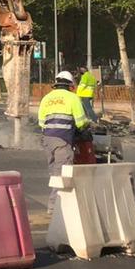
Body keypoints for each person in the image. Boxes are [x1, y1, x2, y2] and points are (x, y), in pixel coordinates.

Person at [38, 70, 89, 214]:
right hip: (63, 139)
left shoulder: (46, 98)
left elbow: (41, 122)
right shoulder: (72, 98)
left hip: (48, 139)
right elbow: (81, 121)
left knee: (54, 171)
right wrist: (84, 127)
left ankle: (58, 203)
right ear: (70, 85)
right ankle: (54, 207)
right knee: (63, 172)